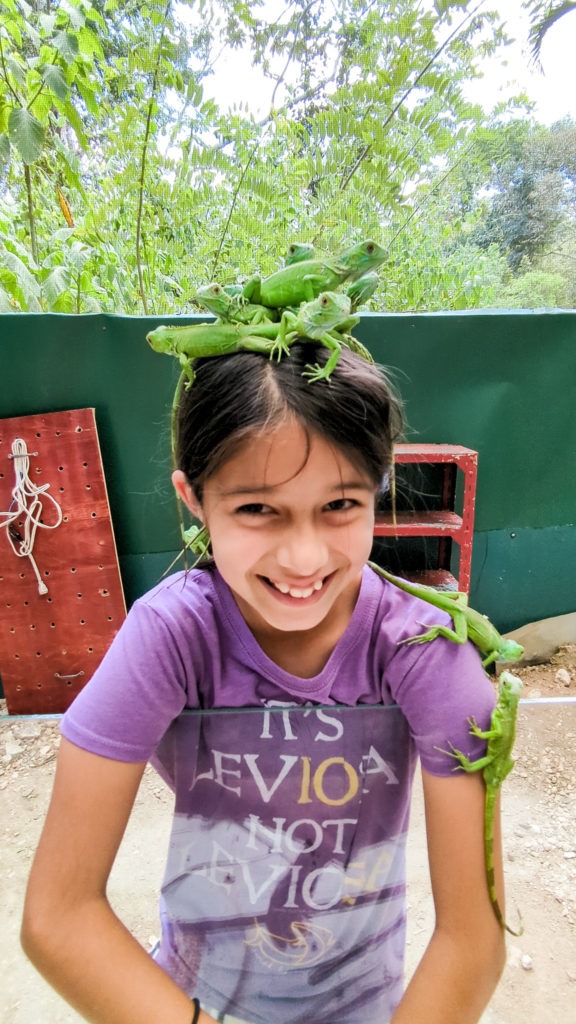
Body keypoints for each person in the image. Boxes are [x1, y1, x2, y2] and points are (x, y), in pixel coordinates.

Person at [21, 341, 506, 1024]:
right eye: (256, 509)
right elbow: (58, 916)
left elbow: (472, 938)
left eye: (339, 504)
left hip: (367, 1004)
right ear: (195, 498)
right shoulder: (170, 636)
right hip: (190, 999)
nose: (304, 557)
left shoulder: (427, 650)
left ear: (379, 486)